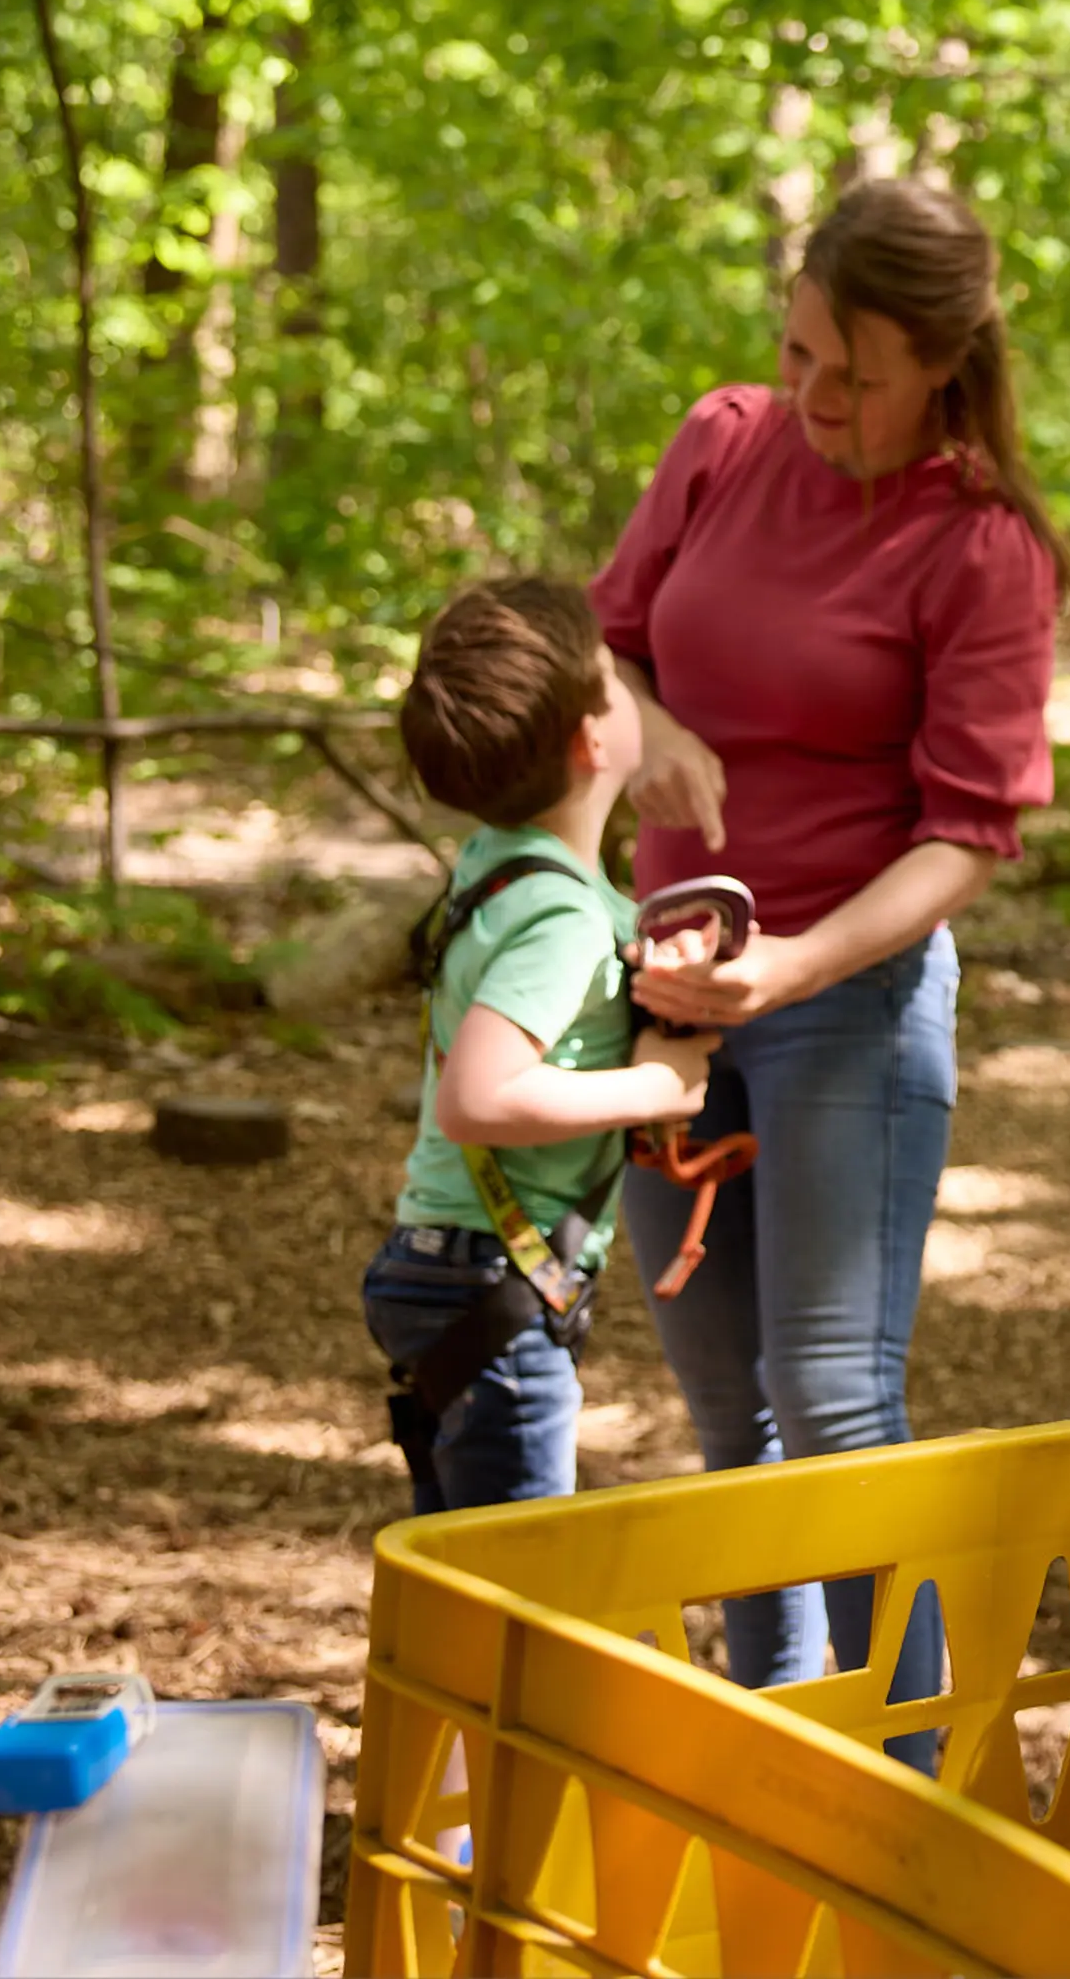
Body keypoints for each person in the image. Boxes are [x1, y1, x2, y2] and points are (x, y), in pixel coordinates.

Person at [593, 180, 1061, 1722]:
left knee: (837, 1401)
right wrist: (648, 727)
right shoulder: (724, 441)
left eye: (853, 375)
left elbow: (968, 834)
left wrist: (791, 968)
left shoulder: (980, 544)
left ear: (943, 360)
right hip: (667, 997)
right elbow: (609, 638)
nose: (816, 398)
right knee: (731, 1416)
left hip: (843, 1000)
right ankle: (774, 1734)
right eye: (799, 352)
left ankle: (914, 1770)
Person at [366, 576, 718, 1514]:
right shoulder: (561, 913)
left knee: (465, 1571)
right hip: (492, 1278)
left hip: (449, 1263)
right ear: (595, 738)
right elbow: (479, 1098)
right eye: (612, 678)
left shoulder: (505, 869)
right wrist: (656, 1086)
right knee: (518, 1588)